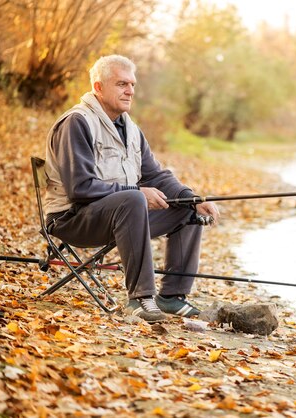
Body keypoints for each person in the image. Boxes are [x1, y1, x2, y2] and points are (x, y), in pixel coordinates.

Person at [43, 54, 220, 322]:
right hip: (72, 219)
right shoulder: (77, 122)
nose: (130, 91)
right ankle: (140, 299)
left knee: (186, 209)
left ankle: (172, 298)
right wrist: (137, 193)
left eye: (133, 84)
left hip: (120, 217)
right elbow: (80, 187)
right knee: (134, 198)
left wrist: (193, 200)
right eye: (121, 84)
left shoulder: (132, 130)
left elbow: (156, 176)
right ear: (98, 87)